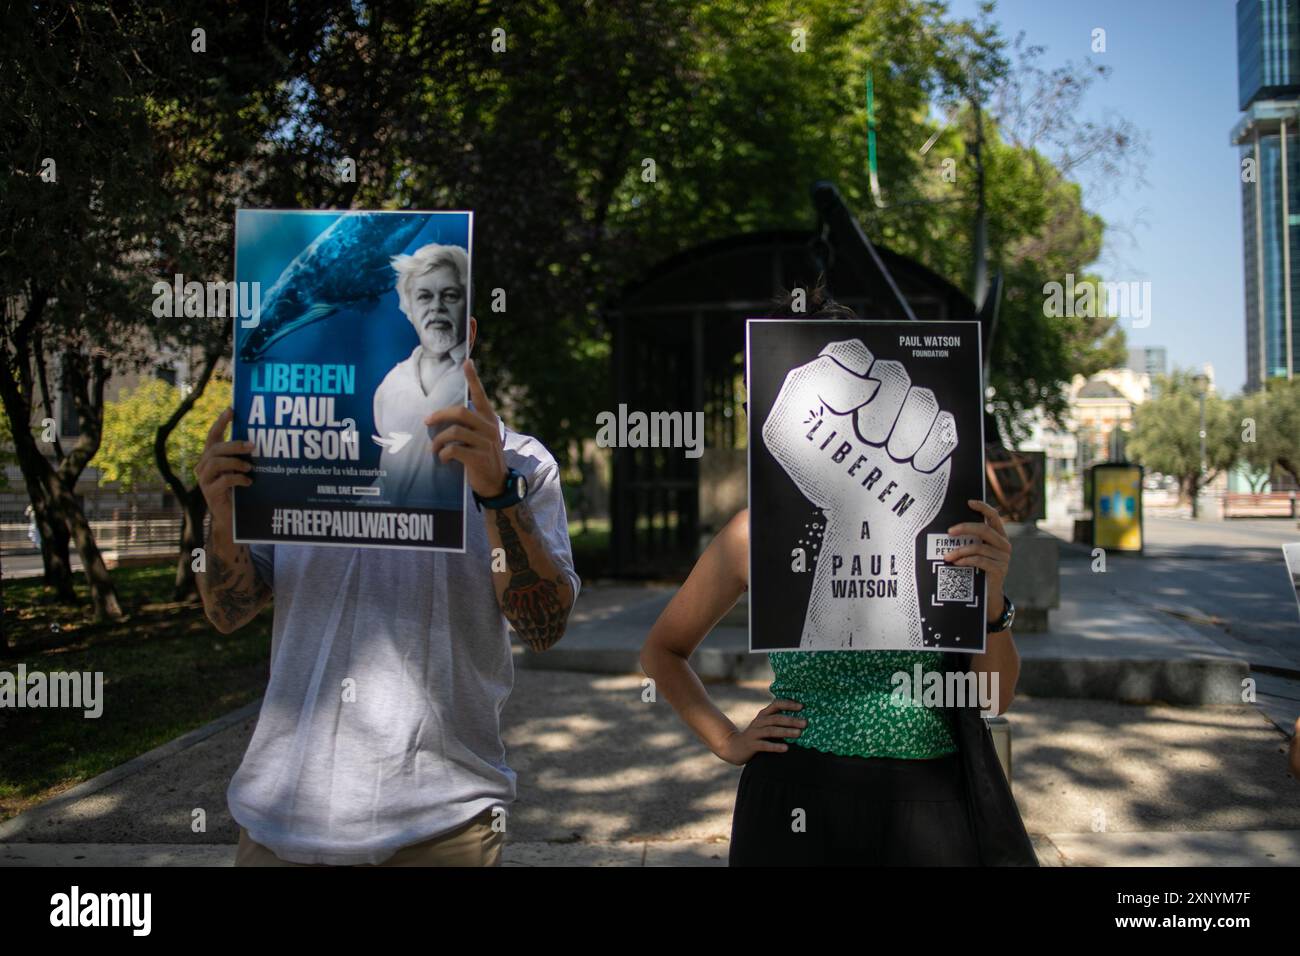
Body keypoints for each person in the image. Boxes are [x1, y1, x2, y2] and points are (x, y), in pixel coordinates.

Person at [640, 288, 1028, 866]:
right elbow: (662, 652)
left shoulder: (947, 524)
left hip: (929, 795)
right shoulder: (754, 537)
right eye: (758, 397)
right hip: (797, 795)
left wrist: (992, 600)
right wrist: (725, 738)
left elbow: (994, 696)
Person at [195, 313, 581, 866]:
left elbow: (542, 627)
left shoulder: (520, 462)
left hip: (443, 822)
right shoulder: (286, 456)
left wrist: (497, 494)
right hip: (279, 817)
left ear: (466, 332)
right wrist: (222, 517)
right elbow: (228, 612)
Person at [370, 242, 470, 508]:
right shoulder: (390, 385)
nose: (437, 307)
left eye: (450, 295)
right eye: (424, 296)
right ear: (408, 310)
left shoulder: (474, 384)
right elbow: (389, 472)